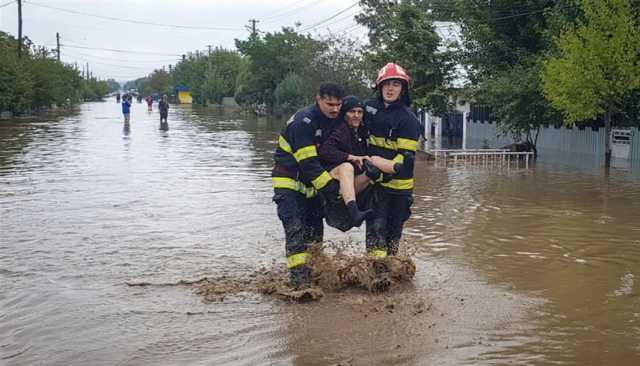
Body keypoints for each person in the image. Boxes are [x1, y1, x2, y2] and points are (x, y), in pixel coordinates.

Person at [272, 83, 344, 288]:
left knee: (315, 234)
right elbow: (309, 164)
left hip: (312, 187)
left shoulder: (333, 120)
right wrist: (331, 190)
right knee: (296, 230)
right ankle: (298, 284)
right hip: (289, 184)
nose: (335, 109)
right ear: (318, 99)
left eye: (338, 104)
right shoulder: (302, 123)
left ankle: (315, 275)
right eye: (330, 104)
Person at [317, 95, 405, 230]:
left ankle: (396, 168)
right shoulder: (339, 129)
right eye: (352, 112)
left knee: (373, 161)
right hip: (334, 179)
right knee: (347, 167)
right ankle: (353, 211)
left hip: (352, 182)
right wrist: (350, 157)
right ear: (344, 114)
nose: (356, 115)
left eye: (360, 112)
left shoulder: (361, 131)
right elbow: (325, 151)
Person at [364, 63, 420, 259]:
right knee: (375, 230)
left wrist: (383, 170)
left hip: (400, 189)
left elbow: (405, 156)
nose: (390, 88)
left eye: (395, 84)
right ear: (379, 87)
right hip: (375, 185)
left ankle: (390, 272)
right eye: (386, 84)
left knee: (392, 237)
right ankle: (375, 275)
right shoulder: (368, 109)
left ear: (403, 89)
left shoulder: (408, 120)